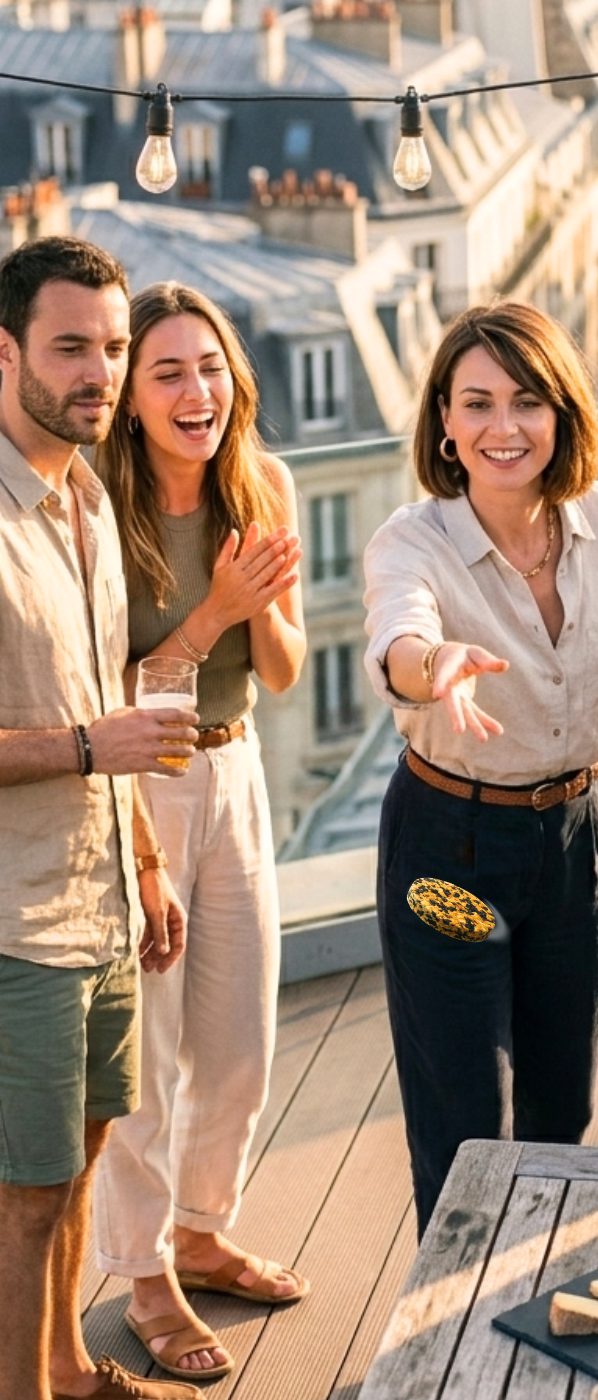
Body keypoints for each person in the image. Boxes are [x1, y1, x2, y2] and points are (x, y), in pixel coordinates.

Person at [363, 301, 598, 1236]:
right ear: (446, 425)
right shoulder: (410, 541)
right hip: (448, 846)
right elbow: (398, 635)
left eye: (528, 401)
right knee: (466, 1131)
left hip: (577, 835)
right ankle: (452, 1337)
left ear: (563, 415)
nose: (505, 426)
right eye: (478, 403)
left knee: (563, 1106)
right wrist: (435, 667)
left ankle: (533, 1298)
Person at [0, 237, 204, 1400]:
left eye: (115, 348)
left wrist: (146, 860)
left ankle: (72, 1369)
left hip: (104, 900)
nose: (101, 372)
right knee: (23, 1194)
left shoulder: (87, 498)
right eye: (72, 344)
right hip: (15, 920)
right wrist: (90, 748)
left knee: (78, 1162)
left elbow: (96, 696)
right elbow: (94, 728)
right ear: (6, 349)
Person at [92, 283, 308, 1379]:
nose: (196, 390)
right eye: (168, 370)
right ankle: (142, 1271)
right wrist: (216, 606)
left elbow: (282, 669)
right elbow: (99, 693)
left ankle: (199, 1226)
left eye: (210, 366)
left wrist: (260, 595)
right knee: (151, 1047)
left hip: (237, 766)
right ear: (130, 395)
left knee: (237, 1039)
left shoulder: (263, 484)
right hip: (142, 788)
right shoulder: (94, 503)